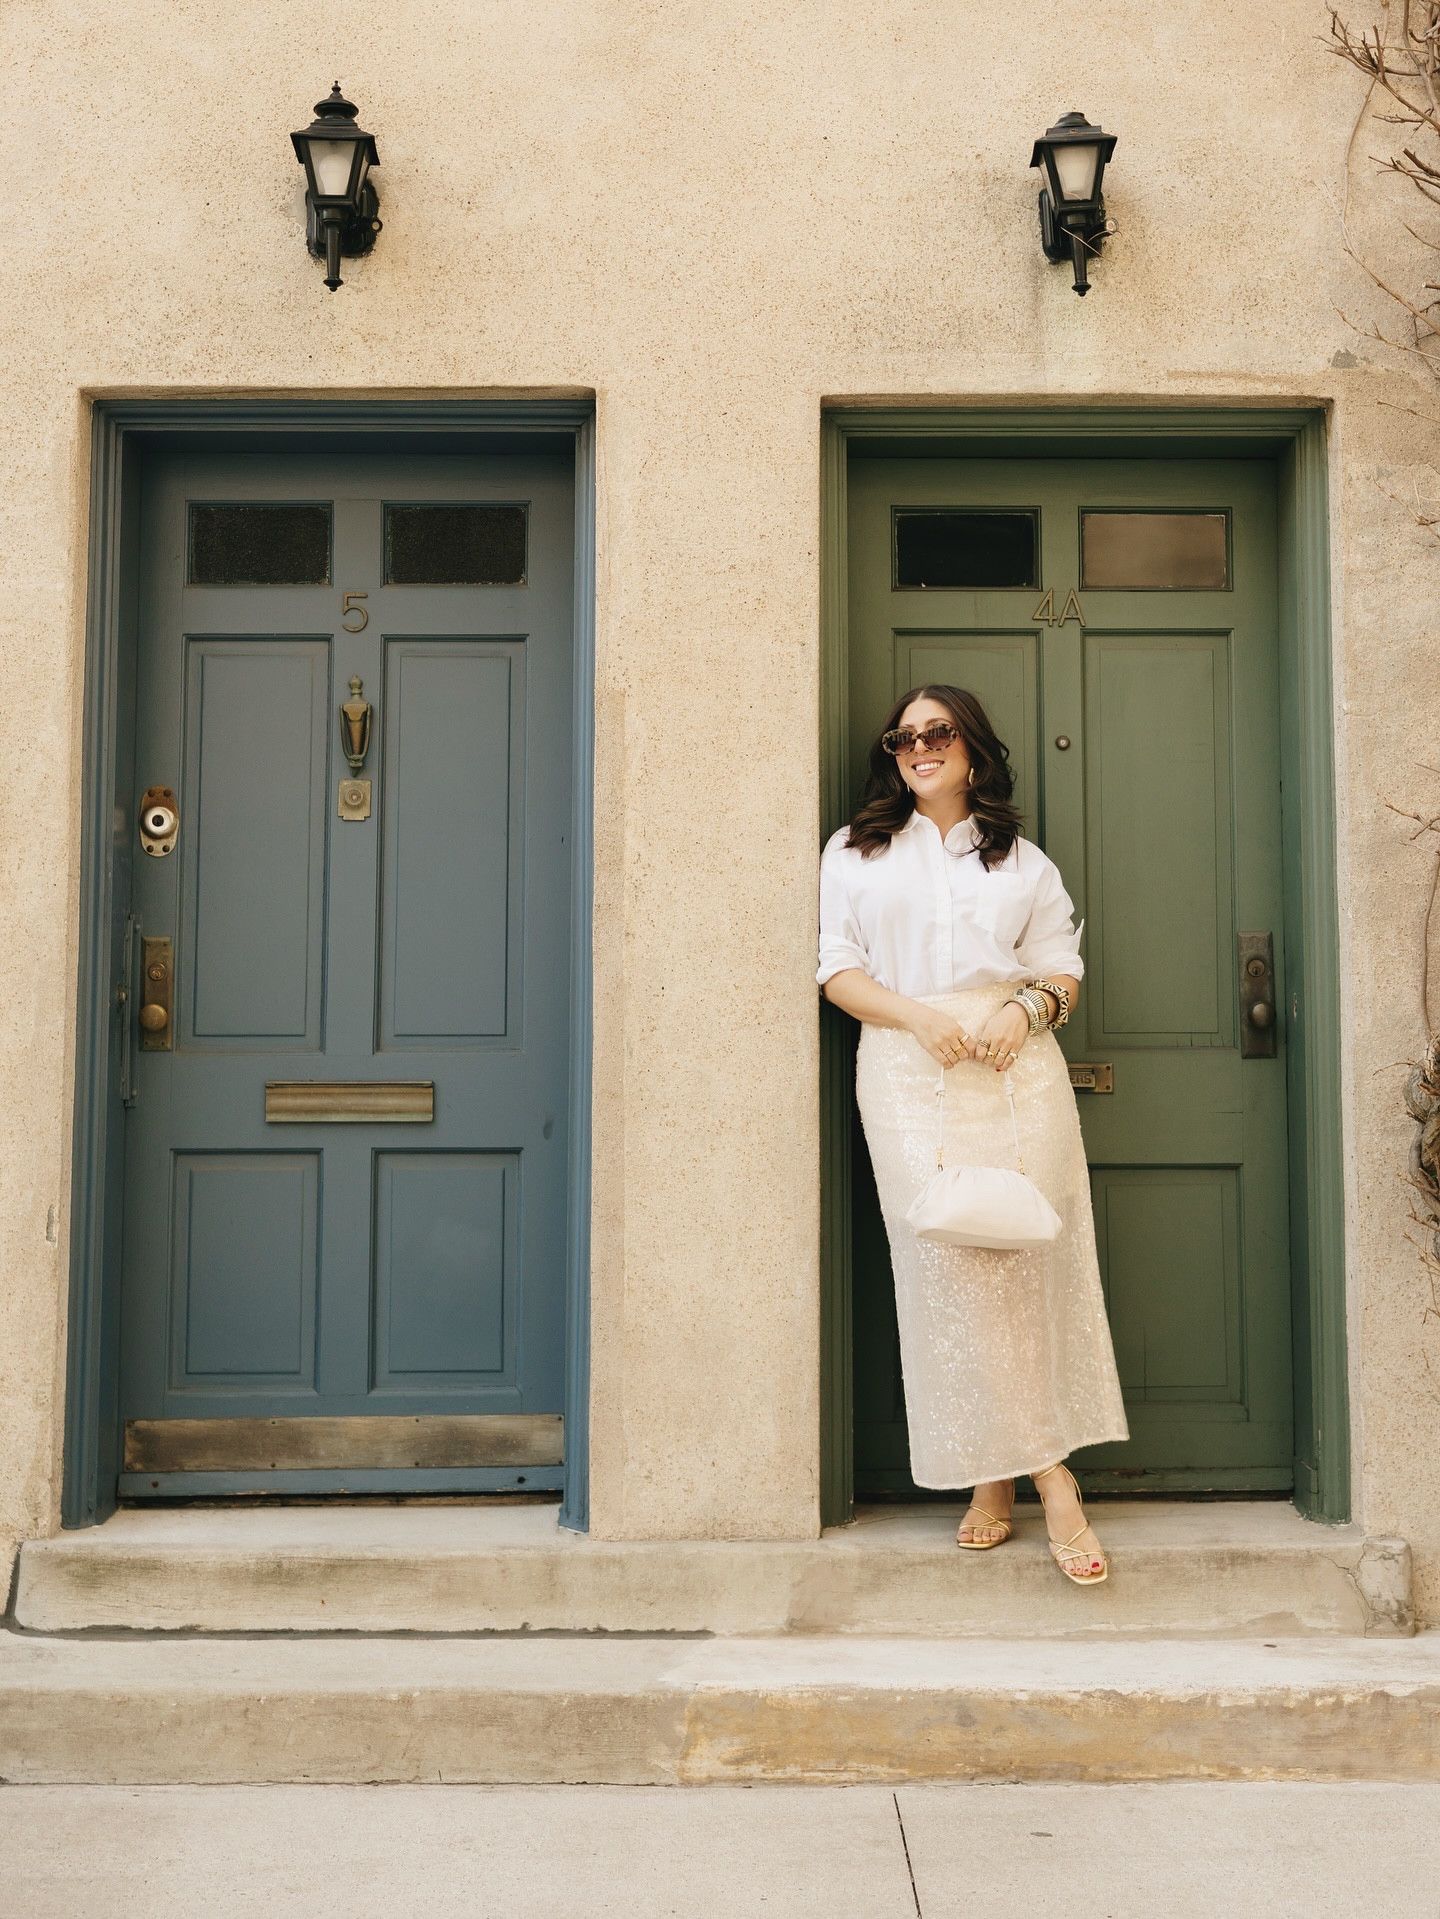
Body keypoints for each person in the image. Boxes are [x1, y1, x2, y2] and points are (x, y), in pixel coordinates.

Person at [818, 683, 1128, 1584]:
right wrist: (917, 1019)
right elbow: (837, 969)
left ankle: (994, 1484)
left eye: (938, 732)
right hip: (909, 1077)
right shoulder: (855, 851)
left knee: (1025, 1271)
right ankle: (1054, 1478)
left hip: (1015, 1076)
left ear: (972, 749)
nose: (919, 747)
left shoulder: (1022, 863)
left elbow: (1063, 969)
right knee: (952, 1276)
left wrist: (1025, 1012)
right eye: (904, 736)